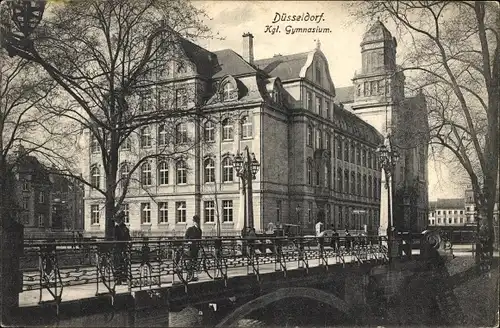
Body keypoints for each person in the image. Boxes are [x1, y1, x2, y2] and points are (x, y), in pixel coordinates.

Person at [184, 215, 202, 281]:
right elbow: (185, 238)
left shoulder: (199, 230)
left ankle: (192, 276)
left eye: (197, 222)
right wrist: (188, 242)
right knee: (189, 262)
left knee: (194, 261)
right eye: (195, 222)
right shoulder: (190, 229)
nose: (196, 223)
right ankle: (189, 276)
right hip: (190, 248)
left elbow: (200, 239)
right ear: (194, 222)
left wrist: (199, 246)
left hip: (196, 248)